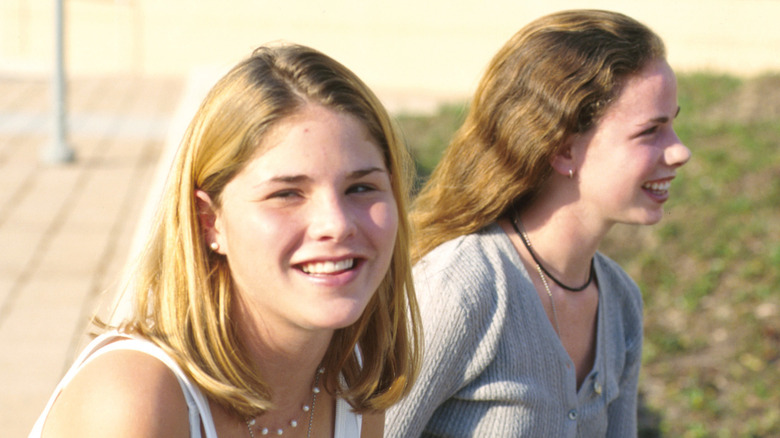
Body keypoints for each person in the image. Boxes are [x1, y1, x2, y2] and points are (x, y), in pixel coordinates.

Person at [30, 43, 421, 438]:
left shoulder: (351, 385)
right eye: (287, 194)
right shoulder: (134, 401)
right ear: (210, 222)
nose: (336, 224)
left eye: (360, 187)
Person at [386, 9, 691, 437]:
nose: (680, 151)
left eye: (673, 124)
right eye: (650, 131)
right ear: (564, 150)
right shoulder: (463, 288)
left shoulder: (621, 301)